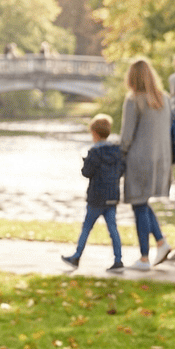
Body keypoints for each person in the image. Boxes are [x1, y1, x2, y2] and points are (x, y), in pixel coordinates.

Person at [120, 58, 173, 271]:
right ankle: (161, 242)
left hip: (139, 158)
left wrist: (119, 154)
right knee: (142, 203)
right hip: (161, 158)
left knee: (139, 204)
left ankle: (144, 258)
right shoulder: (165, 99)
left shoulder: (133, 100)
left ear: (132, 78)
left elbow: (126, 136)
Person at [61, 113, 124, 272]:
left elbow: (86, 172)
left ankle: (76, 256)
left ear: (94, 133)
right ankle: (118, 260)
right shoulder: (117, 151)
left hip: (96, 197)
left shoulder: (94, 152)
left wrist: (85, 161)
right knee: (113, 228)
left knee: (87, 227)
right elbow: (121, 170)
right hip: (112, 195)